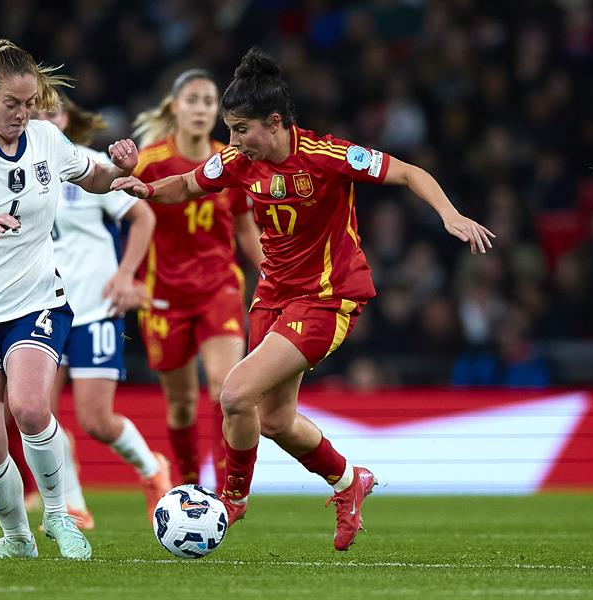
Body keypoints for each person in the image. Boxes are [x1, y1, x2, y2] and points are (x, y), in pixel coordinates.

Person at [112, 48, 495, 552]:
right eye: (230, 130)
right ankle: (348, 483)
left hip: (327, 297)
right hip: (273, 294)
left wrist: (449, 213)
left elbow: (406, 172)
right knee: (272, 420)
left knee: (232, 393)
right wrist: (144, 188)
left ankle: (231, 500)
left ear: (274, 122)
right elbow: (185, 184)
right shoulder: (237, 161)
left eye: (241, 129)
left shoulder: (326, 156)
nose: (232, 142)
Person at [0, 39, 139, 560]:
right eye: (12, 104)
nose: (23, 115)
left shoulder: (47, 137)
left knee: (28, 406)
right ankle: (16, 538)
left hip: (36, 299)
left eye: (30, 104)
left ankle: (59, 515)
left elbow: (92, 179)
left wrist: (117, 167)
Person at [13, 94, 170, 527]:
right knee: (37, 414)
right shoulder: (15, 170)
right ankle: (74, 504)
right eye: (35, 111)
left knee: (96, 419)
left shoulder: (89, 164)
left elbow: (144, 218)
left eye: (51, 112)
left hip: (95, 307)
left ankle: (152, 469)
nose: (42, 119)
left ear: (65, 119)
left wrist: (125, 276)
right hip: (41, 306)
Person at [131, 69, 264, 487]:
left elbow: (246, 230)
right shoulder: (149, 162)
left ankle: (227, 492)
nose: (202, 108)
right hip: (163, 295)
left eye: (210, 101)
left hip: (218, 288)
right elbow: (131, 224)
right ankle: (188, 487)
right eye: (194, 100)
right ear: (175, 107)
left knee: (227, 391)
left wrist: (277, 274)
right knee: (182, 406)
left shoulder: (233, 161)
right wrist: (129, 278)